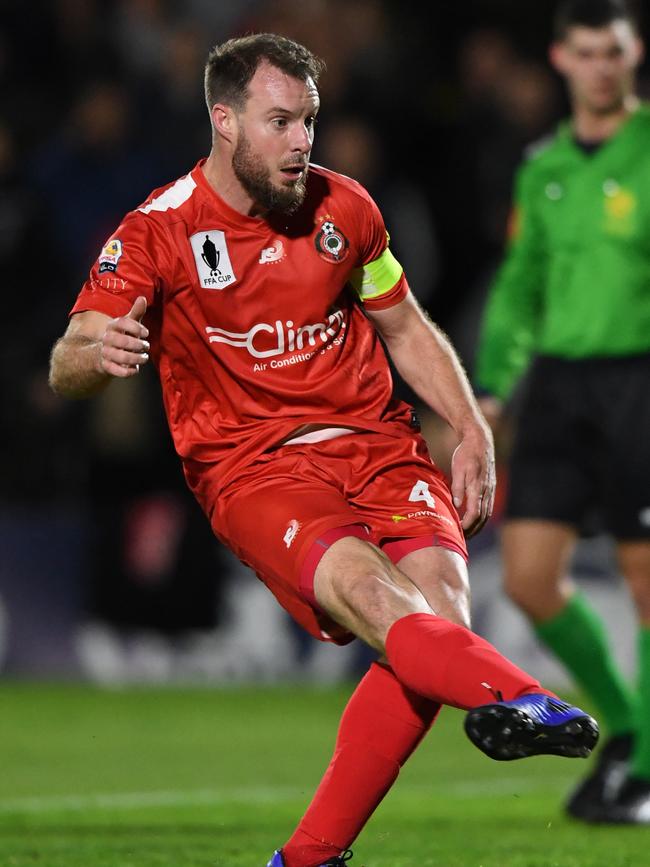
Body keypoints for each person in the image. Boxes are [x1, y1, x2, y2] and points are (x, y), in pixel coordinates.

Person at [49, 33, 598, 867]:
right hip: (255, 465)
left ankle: (307, 860)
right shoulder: (159, 230)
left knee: (441, 617)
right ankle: (527, 697)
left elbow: (404, 325)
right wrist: (97, 357)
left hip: (379, 444)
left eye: (309, 119)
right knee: (374, 598)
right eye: (281, 122)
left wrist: (471, 422)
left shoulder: (344, 209)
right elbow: (72, 351)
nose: (303, 140)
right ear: (224, 122)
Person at [475, 0, 650, 826]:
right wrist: (492, 382)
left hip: (639, 383)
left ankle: (644, 768)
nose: (600, 66)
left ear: (633, 53)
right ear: (561, 59)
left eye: (611, 51)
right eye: (585, 52)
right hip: (560, 388)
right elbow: (518, 286)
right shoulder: (541, 165)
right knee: (528, 577)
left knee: (648, 578)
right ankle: (629, 724)